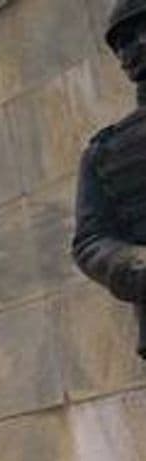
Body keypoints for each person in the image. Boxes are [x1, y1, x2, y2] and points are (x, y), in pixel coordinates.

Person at [73, 0, 146, 358]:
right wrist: (135, 264)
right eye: (126, 40)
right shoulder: (105, 152)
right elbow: (90, 242)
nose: (139, 44)